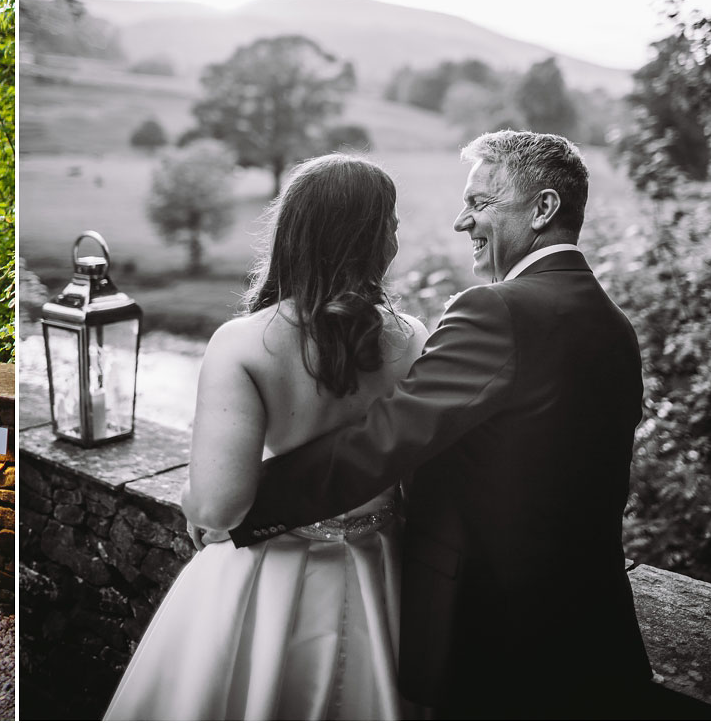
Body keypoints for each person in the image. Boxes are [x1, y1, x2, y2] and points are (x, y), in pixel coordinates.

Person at [231, 130, 652, 721]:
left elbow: (382, 441)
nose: (462, 222)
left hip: (495, 636)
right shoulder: (614, 326)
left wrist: (242, 505)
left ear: (544, 209)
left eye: (479, 204)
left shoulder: (496, 311)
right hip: (593, 630)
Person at [106, 155, 426, 721]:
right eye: (391, 223)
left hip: (270, 582)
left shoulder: (243, 343)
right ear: (374, 240)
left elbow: (219, 506)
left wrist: (192, 499)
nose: (397, 235)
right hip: (385, 577)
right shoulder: (414, 340)